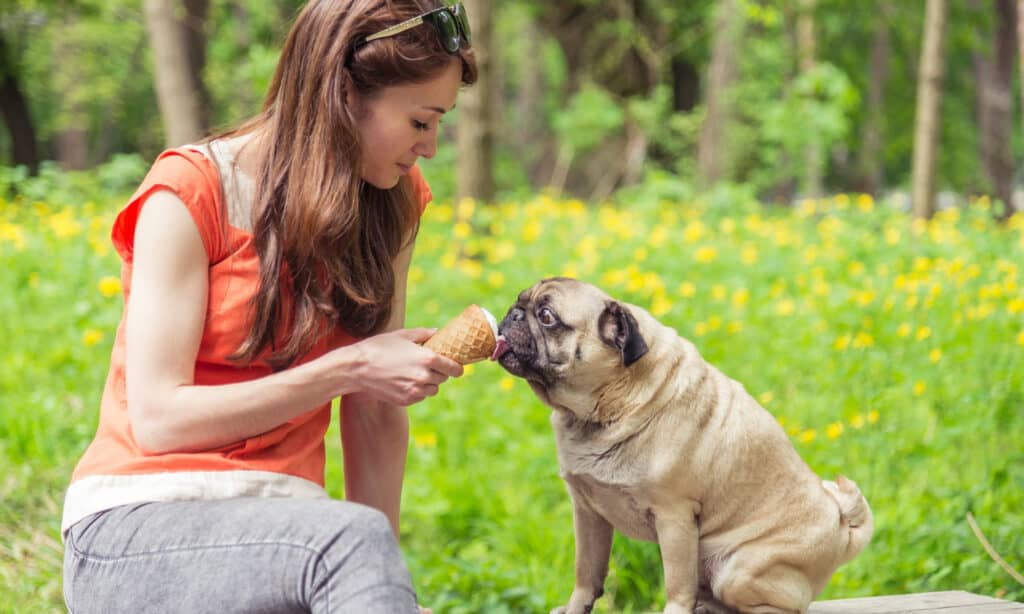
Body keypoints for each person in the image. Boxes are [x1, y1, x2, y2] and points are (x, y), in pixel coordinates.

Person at [61, 1, 477, 612]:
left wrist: (382, 577)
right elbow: (158, 420)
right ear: (343, 94)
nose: (432, 147)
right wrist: (347, 367)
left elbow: (374, 413)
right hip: (139, 525)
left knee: (362, 548)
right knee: (350, 541)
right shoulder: (188, 193)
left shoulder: (394, 201)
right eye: (420, 121)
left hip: (291, 534)